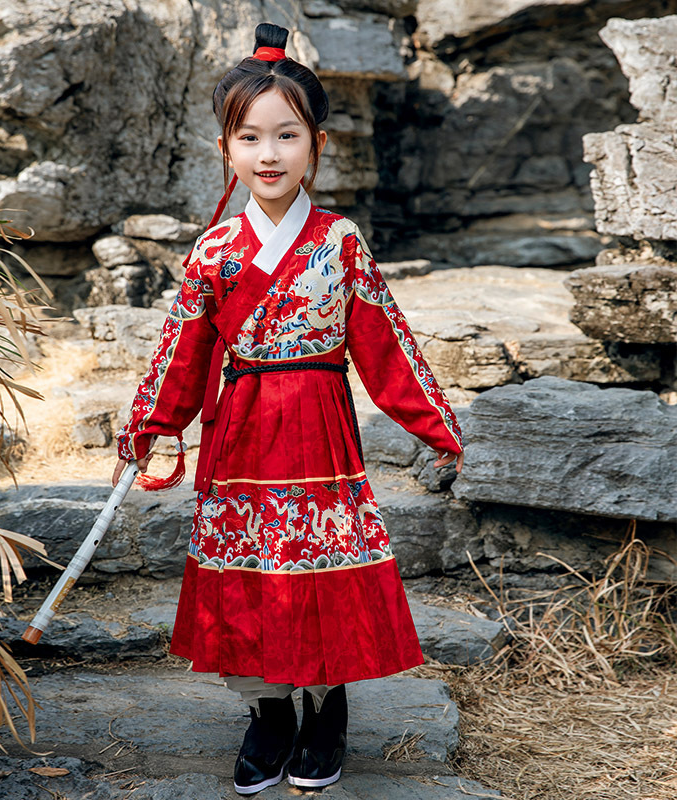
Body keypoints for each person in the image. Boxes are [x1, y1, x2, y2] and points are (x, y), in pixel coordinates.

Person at [112, 21, 464, 796]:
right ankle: (268, 712)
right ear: (226, 151)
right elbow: (182, 351)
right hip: (239, 429)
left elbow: (386, 344)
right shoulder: (214, 251)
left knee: (318, 562)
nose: (268, 155)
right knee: (248, 566)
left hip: (316, 421)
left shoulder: (340, 242)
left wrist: (435, 424)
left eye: (287, 136)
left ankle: (327, 706)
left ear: (317, 146)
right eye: (249, 137)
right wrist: (151, 423)